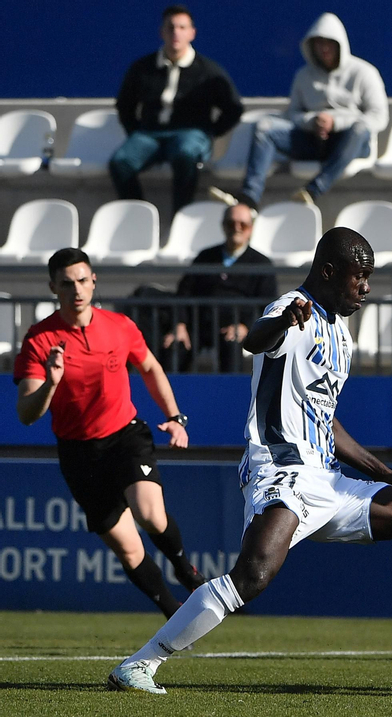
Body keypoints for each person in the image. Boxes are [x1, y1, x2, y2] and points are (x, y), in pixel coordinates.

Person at [107, 229, 392, 695]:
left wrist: (378, 471)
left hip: (330, 482)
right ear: (327, 272)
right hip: (282, 471)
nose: (365, 287)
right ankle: (140, 664)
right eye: (358, 276)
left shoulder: (340, 332)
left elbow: (324, 415)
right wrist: (282, 322)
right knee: (252, 576)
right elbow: (255, 341)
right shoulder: (290, 309)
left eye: (369, 278)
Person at [14, 248, 203, 617]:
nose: (76, 290)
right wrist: (50, 384)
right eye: (66, 283)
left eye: (83, 280)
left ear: (94, 281)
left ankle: (185, 569)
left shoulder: (119, 326)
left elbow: (149, 367)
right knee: (128, 548)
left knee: (150, 515)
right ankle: (174, 614)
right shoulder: (39, 340)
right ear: (53, 287)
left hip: (125, 437)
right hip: (79, 453)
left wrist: (175, 418)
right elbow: (26, 413)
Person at [212, 13, 388, 211]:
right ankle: (249, 197)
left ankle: (313, 190)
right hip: (312, 141)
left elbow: (379, 117)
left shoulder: (364, 72)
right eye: (318, 43)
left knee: (359, 130)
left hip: (348, 143)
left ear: (340, 44)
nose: (324, 48)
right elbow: (293, 114)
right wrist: (313, 122)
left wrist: (335, 122)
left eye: (329, 43)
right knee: (265, 128)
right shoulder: (303, 76)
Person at [110, 6, 243, 214]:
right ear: (161, 32)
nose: (176, 33)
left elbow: (233, 108)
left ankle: (180, 217)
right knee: (121, 162)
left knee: (185, 153)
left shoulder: (209, 71)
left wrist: (209, 133)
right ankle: (137, 215)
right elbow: (125, 104)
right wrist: (135, 131)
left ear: (192, 33)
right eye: (170, 27)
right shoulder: (142, 68)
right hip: (150, 134)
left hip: (190, 133)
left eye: (182, 27)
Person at [163, 203, 277, 373]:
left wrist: (246, 326)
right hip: (199, 325)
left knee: (232, 350)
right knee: (174, 347)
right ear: (223, 226)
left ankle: (230, 398)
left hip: (234, 329)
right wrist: (180, 324)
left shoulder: (262, 264)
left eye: (243, 224)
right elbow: (184, 292)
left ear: (251, 229)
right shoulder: (205, 257)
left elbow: (267, 304)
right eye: (231, 223)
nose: (236, 228)